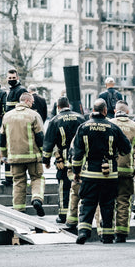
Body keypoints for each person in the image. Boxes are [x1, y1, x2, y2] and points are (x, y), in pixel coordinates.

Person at [71, 99, 131, 245]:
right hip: (109, 175)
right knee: (107, 204)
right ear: (105, 111)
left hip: (89, 173)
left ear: (93, 109)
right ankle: (108, 236)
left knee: (87, 203)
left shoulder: (83, 127)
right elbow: (126, 148)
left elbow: (77, 153)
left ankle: (84, 231)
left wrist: (76, 172)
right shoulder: (113, 127)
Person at [0, 92, 46, 216]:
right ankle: (36, 199)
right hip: (33, 157)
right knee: (37, 178)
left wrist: (3, 155)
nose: (32, 104)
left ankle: (19, 210)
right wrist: (44, 153)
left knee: (18, 182)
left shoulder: (7, 116)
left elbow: (2, 138)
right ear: (26, 101)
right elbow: (40, 137)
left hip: (14, 158)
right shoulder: (34, 115)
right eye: (31, 102)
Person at [42, 96, 86, 224]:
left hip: (63, 158)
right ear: (69, 105)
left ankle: (62, 214)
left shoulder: (55, 120)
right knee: (79, 185)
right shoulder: (80, 118)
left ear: (58, 107)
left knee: (63, 186)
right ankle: (78, 213)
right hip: (79, 157)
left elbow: (48, 142)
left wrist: (46, 160)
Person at [109, 100, 135, 243]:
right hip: (127, 170)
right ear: (128, 112)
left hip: (109, 170)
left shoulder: (109, 123)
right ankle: (121, 233)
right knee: (124, 202)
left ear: (115, 111)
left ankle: (107, 231)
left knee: (108, 201)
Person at [3, 68, 28, 186]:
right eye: (10, 78)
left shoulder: (21, 90)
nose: (11, 80)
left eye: (13, 78)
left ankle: (12, 177)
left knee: (12, 151)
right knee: (8, 151)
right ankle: (8, 178)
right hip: (9, 124)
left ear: (17, 78)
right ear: (7, 79)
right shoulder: (10, 90)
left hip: (16, 125)